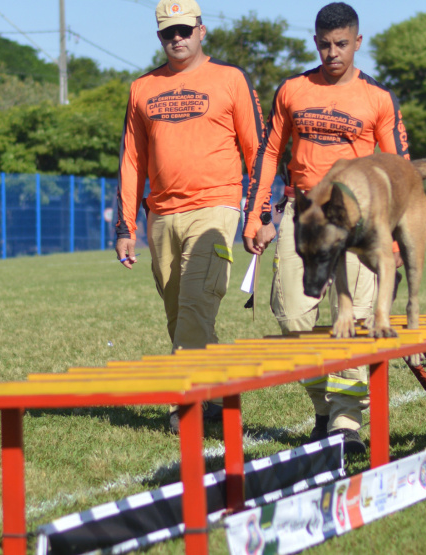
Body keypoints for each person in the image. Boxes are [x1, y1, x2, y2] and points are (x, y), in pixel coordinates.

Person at [243, 2, 410, 455]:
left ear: (358, 42)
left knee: (352, 321)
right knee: (291, 314)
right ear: (314, 42)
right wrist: (258, 217)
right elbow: (268, 153)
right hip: (303, 218)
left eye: (341, 44)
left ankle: (344, 424)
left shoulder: (378, 98)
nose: (332, 52)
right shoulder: (293, 89)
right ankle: (322, 408)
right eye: (324, 44)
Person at [115, 0, 265, 433]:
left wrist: (259, 212)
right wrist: (125, 225)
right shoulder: (142, 87)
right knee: (180, 315)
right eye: (168, 32)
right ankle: (216, 395)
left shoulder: (231, 79)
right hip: (161, 215)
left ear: (202, 31)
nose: (176, 38)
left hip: (216, 207)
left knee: (197, 304)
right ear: (159, 37)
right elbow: (132, 159)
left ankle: (187, 402)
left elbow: (258, 151)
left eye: (184, 30)